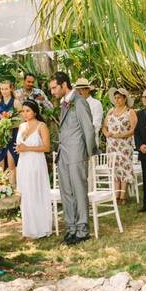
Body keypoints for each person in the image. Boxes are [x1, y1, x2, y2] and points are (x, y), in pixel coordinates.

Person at [49, 71, 97, 245]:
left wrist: (89, 153)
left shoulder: (79, 101)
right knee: (66, 193)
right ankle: (71, 229)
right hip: (63, 154)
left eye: (54, 88)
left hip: (77, 154)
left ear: (64, 85)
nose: (52, 92)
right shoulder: (65, 103)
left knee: (78, 192)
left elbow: (89, 129)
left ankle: (83, 230)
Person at [15, 100, 53, 239]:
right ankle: (28, 229)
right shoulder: (21, 126)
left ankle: (40, 228)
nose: (25, 113)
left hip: (36, 163)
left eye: (28, 111)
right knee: (25, 195)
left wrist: (27, 148)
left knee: (36, 193)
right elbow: (20, 145)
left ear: (35, 112)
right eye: (23, 111)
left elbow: (47, 148)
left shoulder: (41, 126)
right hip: (23, 163)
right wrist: (19, 149)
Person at [102, 87, 138, 203]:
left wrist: (120, 135)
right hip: (112, 145)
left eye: (119, 98)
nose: (117, 100)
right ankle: (116, 195)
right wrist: (107, 133)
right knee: (115, 169)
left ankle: (123, 196)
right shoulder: (110, 111)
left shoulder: (130, 112)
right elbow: (104, 126)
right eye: (116, 98)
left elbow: (134, 129)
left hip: (124, 145)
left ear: (125, 99)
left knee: (124, 169)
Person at [0, 81, 21, 178]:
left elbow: (22, 122)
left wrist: (9, 124)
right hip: (0, 136)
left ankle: (13, 189)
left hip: (13, 136)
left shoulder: (16, 103)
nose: (4, 91)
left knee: (12, 165)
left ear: (11, 89)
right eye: (2, 89)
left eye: (6, 89)